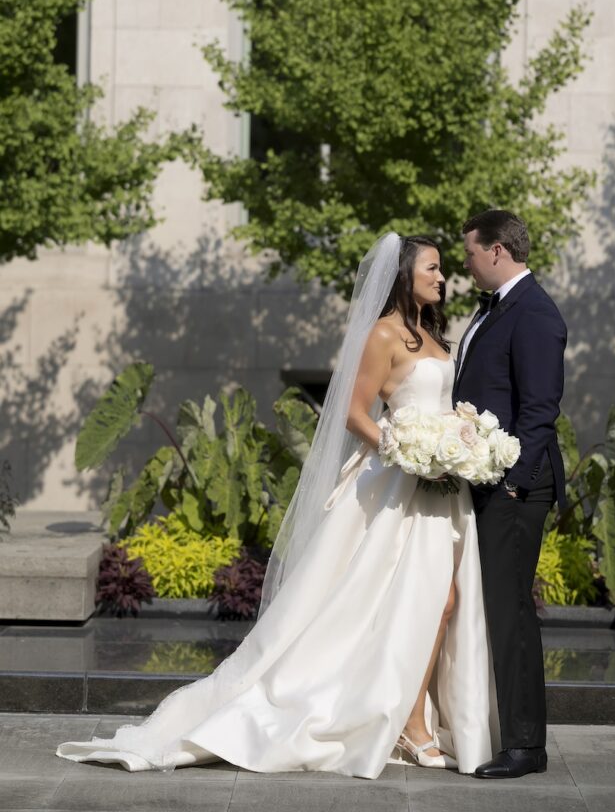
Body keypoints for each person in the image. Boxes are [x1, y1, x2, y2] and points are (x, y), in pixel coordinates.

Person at [56, 234, 498, 777]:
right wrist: (403, 449)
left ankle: (411, 713)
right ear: (405, 274)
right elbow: (355, 414)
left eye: (443, 270)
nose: (442, 277)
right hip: (396, 485)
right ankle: (408, 720)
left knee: (441, 602)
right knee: (408, 599)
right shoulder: (383, 334)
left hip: (441, 489)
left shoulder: (431, 335)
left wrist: (459, 440)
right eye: (432, 268)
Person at [454, 209, 567, 780]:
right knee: (492, 606)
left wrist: (517, 484)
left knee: (512, 609)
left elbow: (541, 410)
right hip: (486, 478)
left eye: (471, 253)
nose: (466, 263)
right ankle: (500, 727)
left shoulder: (536, 313)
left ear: (497, 251)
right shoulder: (493, 309)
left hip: (517, 485)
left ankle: (526, 745)